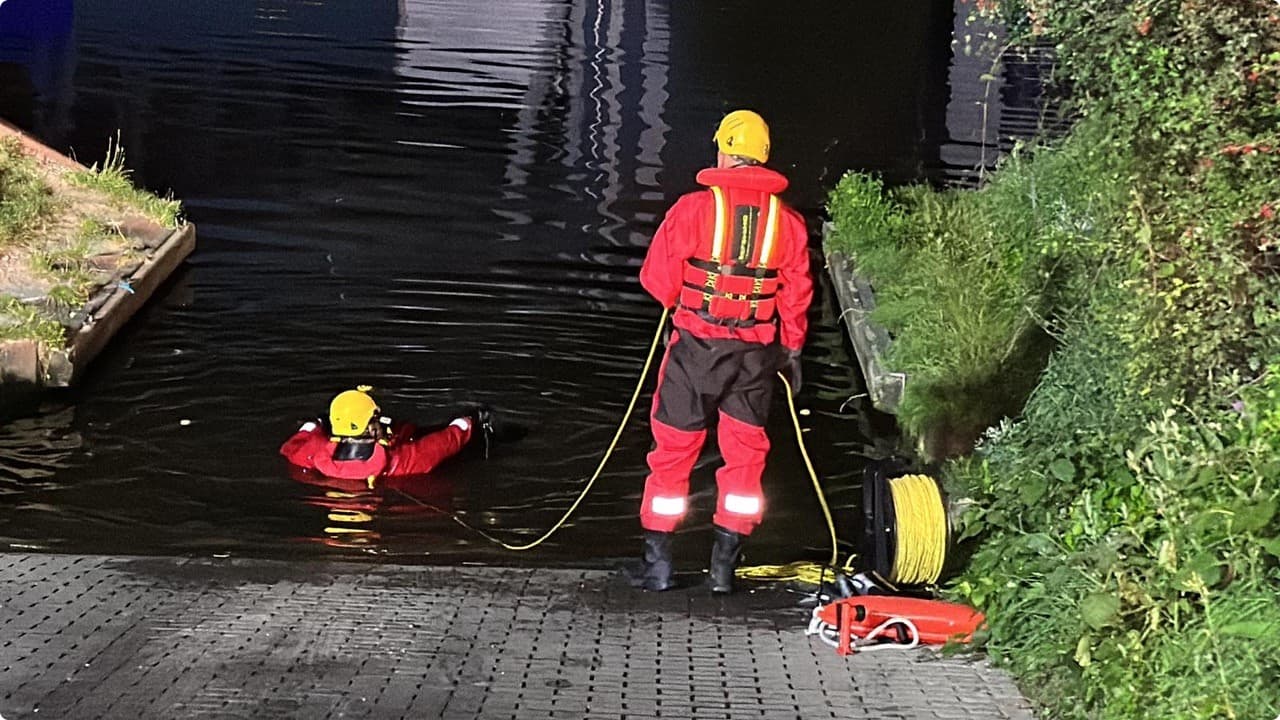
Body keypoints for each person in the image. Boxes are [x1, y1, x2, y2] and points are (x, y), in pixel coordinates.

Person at [628, 109, 814, 594]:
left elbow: (657, 280)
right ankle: (723, 570)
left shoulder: (694, 209)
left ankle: (659, 566)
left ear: (725, 151)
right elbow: (797, 295)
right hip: (756, 357)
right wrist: (791, 351)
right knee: (746, 457)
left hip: (696, 349)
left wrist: (688, 303)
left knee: (672, 451)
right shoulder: (788, 223)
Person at [280, 386, 489, 487]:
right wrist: (466, 422)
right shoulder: (402, 462)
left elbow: (294, 443)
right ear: (371, 429)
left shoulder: (307, 453)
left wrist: (314, 425)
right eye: (376, 419)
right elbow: (445, 443)